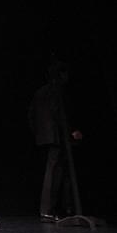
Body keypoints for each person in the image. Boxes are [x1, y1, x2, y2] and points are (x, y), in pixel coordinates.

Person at [28, 60, 83, 222]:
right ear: (61, 75)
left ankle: (56, 209)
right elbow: (58, 114)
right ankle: (48, 210)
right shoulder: (56, 91)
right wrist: (70, 132)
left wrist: (38, 133)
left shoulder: (40, 92)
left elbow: (30, 115)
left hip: (45, 137)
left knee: (57, 172)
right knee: (53, 173)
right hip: (55, 137)